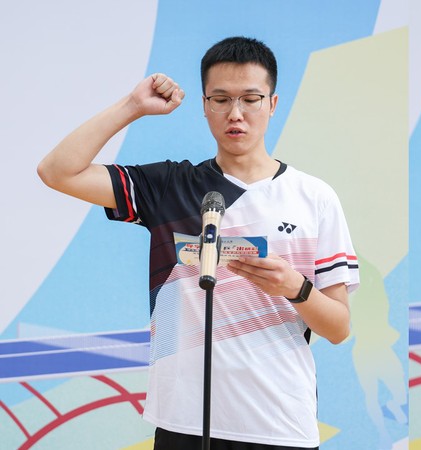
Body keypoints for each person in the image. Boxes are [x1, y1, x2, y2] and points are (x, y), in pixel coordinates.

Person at [38, 36, 359, 450]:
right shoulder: (169, 187)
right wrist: (132, 106)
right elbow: (57, 171)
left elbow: (339, 327)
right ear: (205, 105)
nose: (235, 113)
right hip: (182, 422)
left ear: (273, 104)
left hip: (280, 424)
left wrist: (294, 287)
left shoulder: (314, 198)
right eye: (221, 99)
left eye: (251, 99)